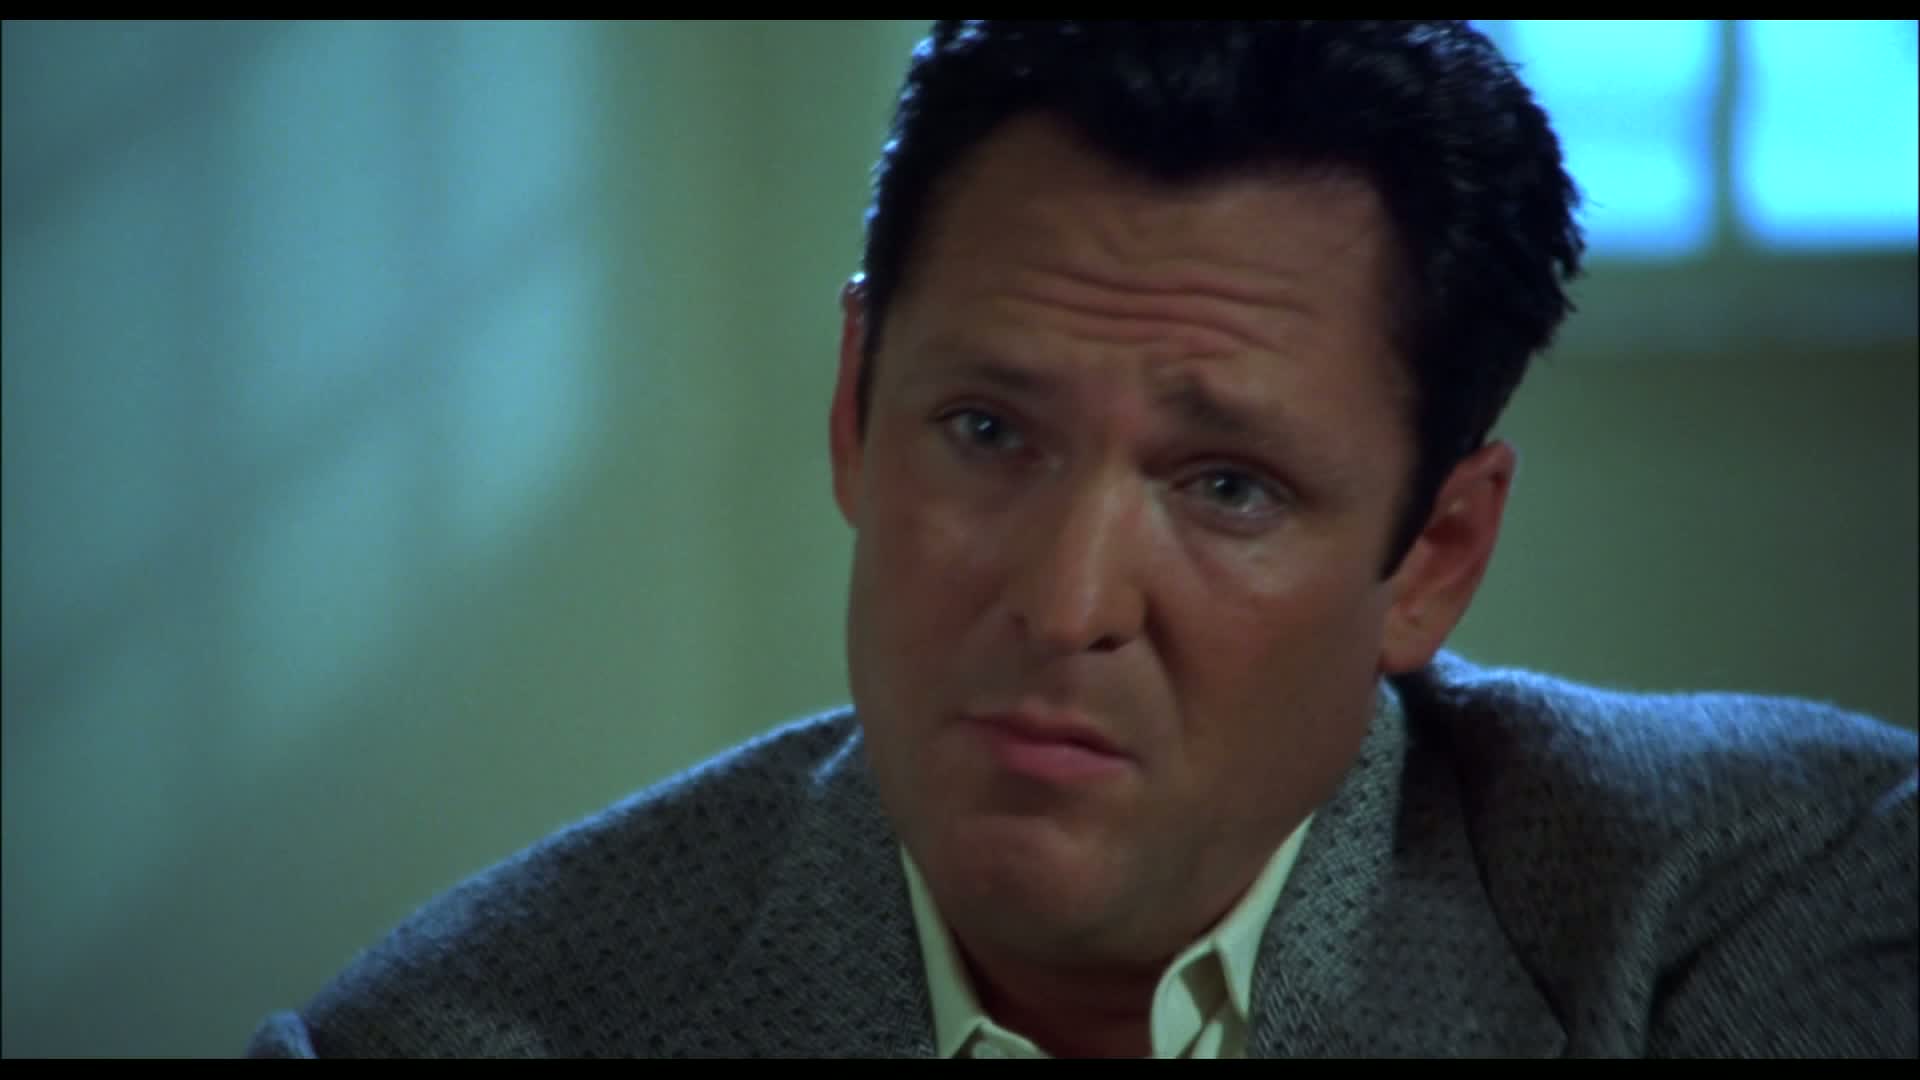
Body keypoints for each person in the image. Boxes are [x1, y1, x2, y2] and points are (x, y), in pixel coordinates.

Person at [244, 20, 1918, 1058]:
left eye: (1228, 486)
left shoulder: (1741, 912)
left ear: (1432, 556)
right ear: (854, 407)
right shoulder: (468, 1035)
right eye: (987, 433)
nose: (1063, 602)